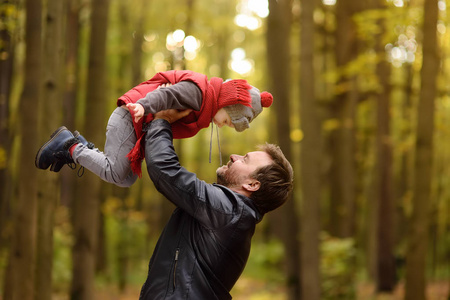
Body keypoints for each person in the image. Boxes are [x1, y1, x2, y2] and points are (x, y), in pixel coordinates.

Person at [139, 108, 294, 299]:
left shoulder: (229, 210)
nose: (233, 156)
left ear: (252, 184)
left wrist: (161, 120)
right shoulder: (235, 214)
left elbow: (165, 171)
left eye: (244, 159)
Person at [35, 70, 273, 187]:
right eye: (228, 121)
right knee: (116, 173)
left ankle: (81, 147)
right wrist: (142, 105)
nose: (222, 126)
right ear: (226, 104)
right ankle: (71, 146)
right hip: (130, 118)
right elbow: (167, 93)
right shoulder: (199, 92)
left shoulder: (204, 109)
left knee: (126, 179)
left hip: (136, 125)